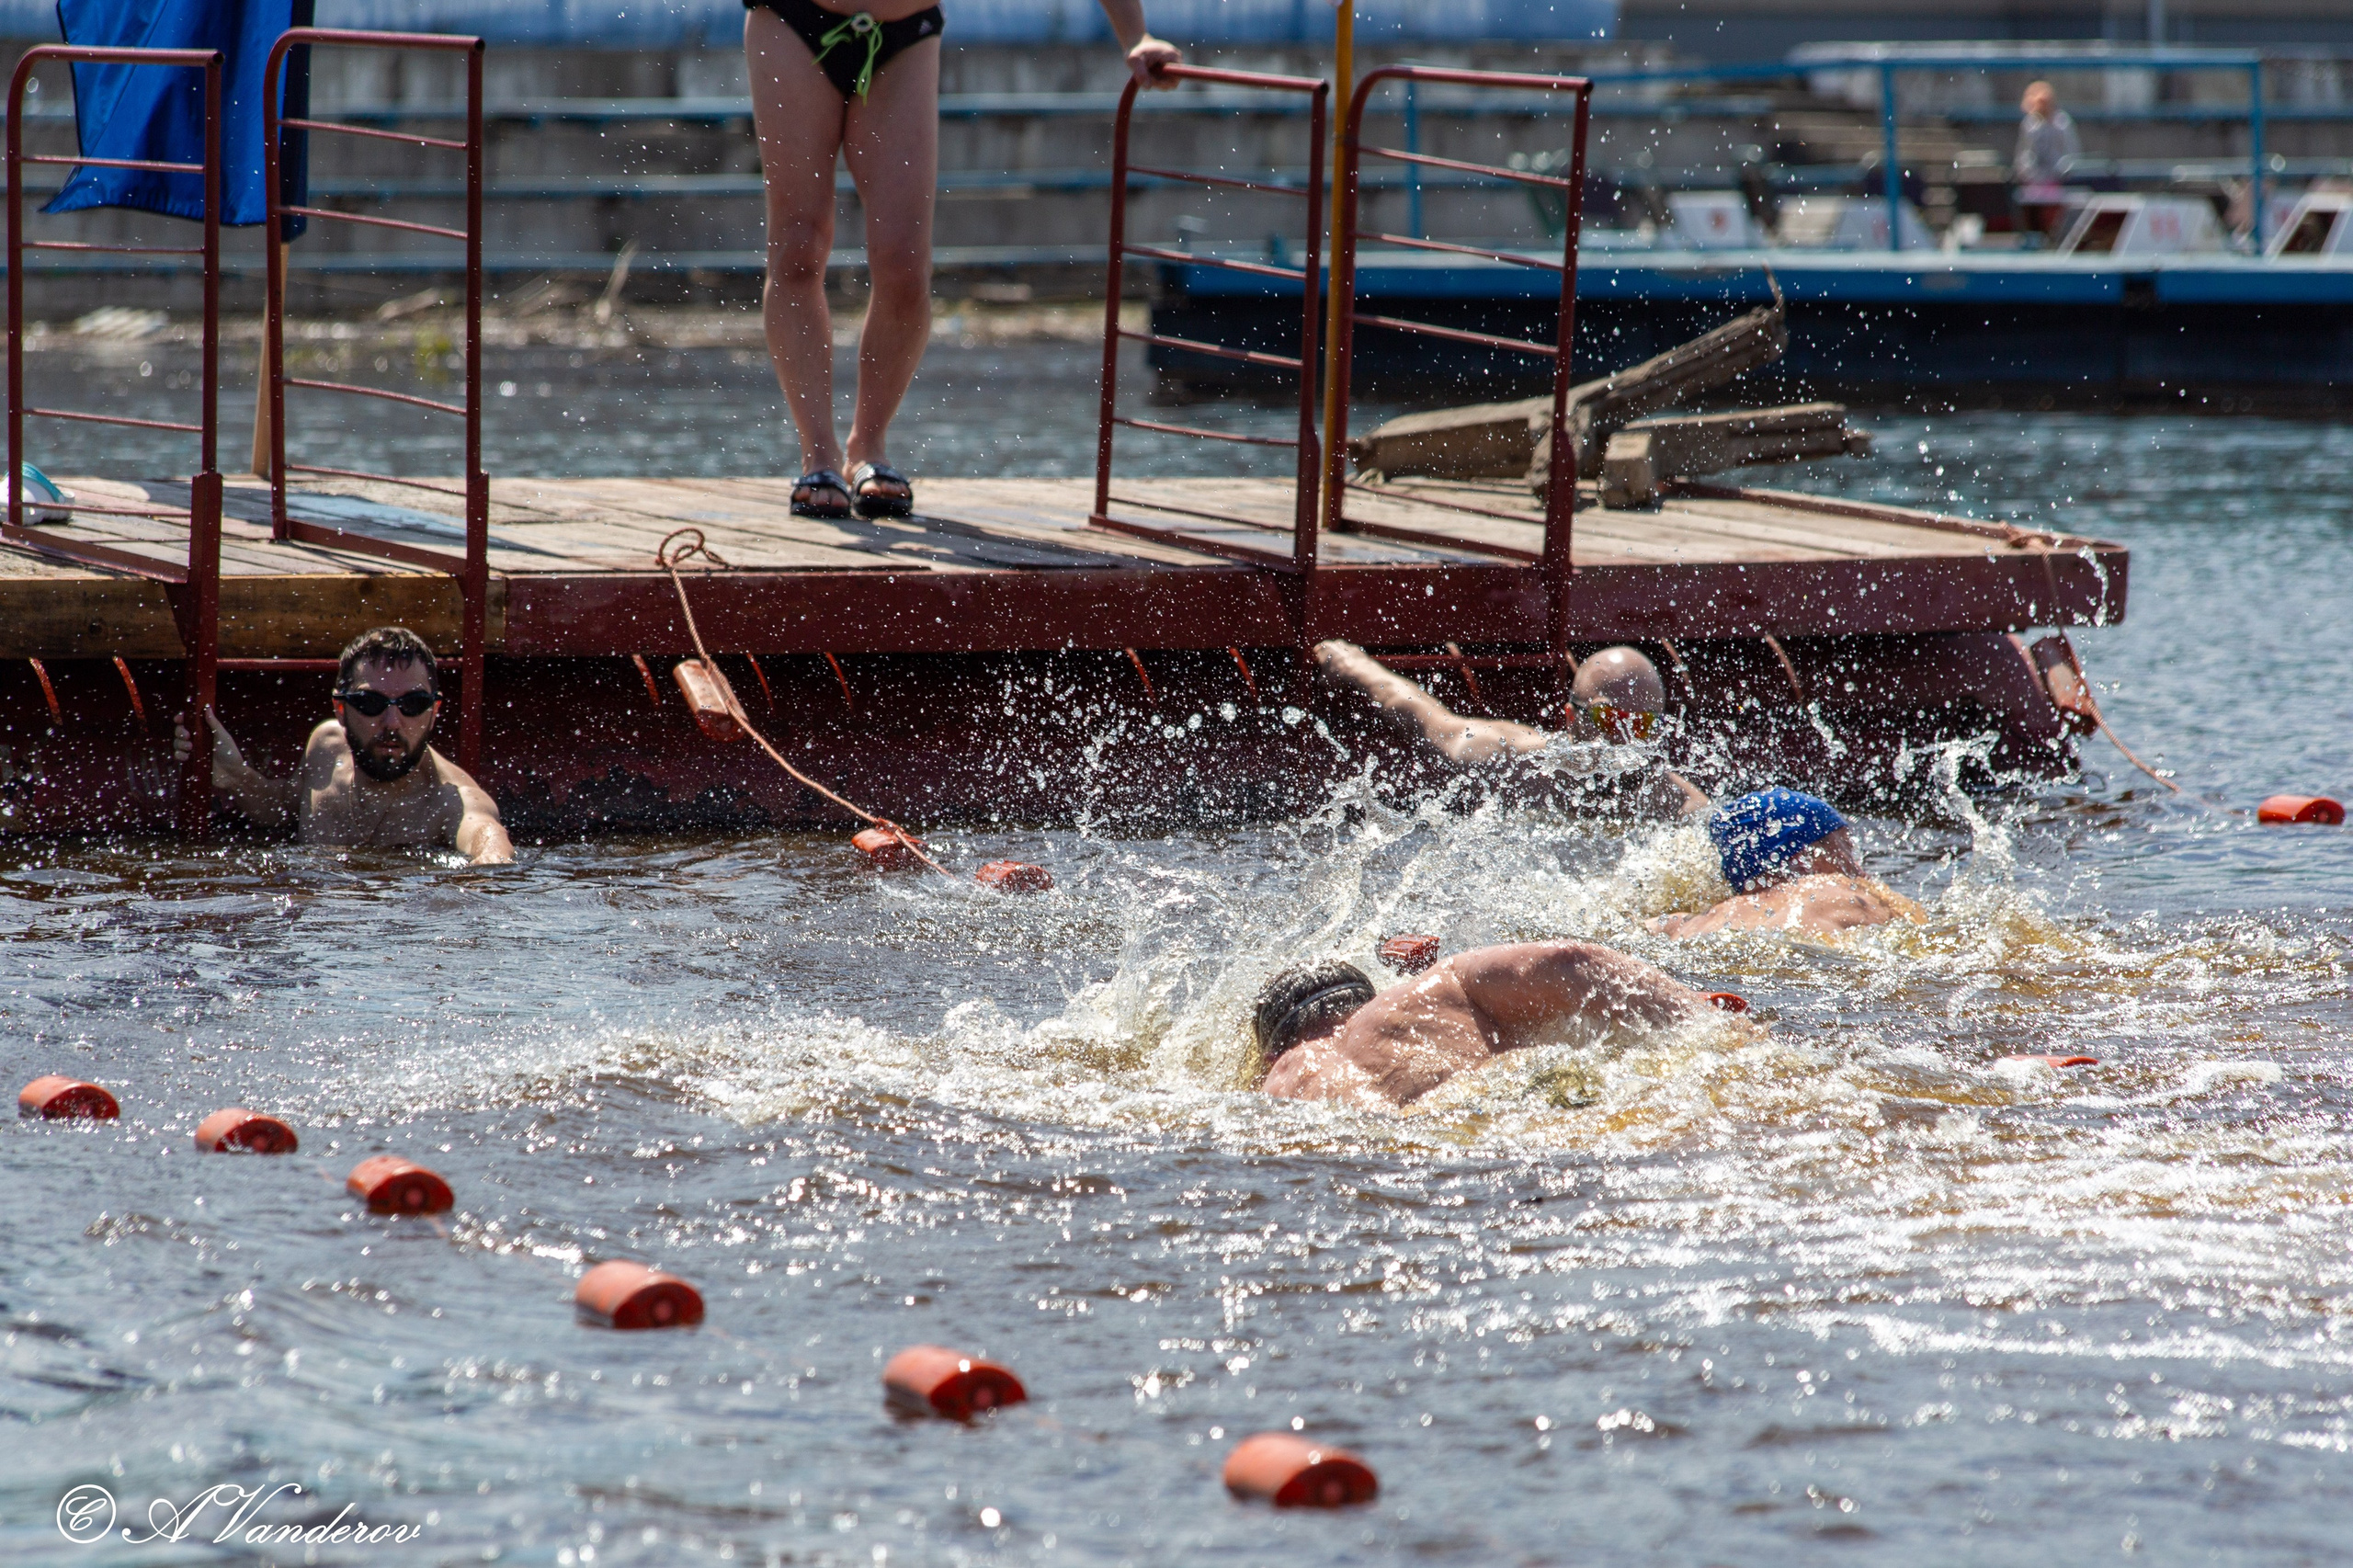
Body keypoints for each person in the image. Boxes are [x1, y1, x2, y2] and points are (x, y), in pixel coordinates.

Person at [746, 0, 1180, 520]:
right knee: (799, 247)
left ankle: (869, 447)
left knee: (905, 266)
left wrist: (1136, 36)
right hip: (795, 20)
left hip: (903, 34)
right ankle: (818, 454)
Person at [172, 626, 514, 864]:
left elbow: (488, 839)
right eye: (370, 703)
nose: (392, 723)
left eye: (412, 704)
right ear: (341, 709)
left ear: (434, 712)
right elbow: (281, 810)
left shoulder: (449, 801)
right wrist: (235, 776)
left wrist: (490, 864)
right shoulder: (326, 747)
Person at [1253, 941, 1716, 1108]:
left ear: (1271, 1051)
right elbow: (1568, 961)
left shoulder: (1280, 1079)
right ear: (1366, 999)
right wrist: (1693, 1012)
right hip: (1498, 1122)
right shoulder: (1430, 991)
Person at [1312, 638, 1710, 818]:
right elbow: (1429, 719)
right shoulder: (1517, 759)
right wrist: (1355, 668)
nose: (1621, 741)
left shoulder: (1679, 805)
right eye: (1609, 720)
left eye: (1640, 726)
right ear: (1572, 719)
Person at [1651, 787, 1917, 938]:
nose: (1861, 871)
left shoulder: (1688, 923)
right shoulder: (1841, 893)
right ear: (1804, 859)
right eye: (1845, 851)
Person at [2014, 80, 2081, 241]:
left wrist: (2056, 175)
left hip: (2060, 184)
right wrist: (2034, 177)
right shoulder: (2030, 125)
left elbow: (2071, 155)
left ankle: (2056, 236)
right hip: (2034, 187)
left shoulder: (2062, 124)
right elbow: (2023, 158)